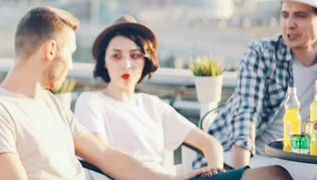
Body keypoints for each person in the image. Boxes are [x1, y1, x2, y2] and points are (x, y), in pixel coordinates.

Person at [0, 6, 232, 180]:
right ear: (50, 51)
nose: (71, 65)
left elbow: (106, 155)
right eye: (69, 54)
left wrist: (172, 179)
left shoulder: (51, 104)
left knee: (270, 174)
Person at [74, 15, 292, 180]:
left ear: (146, 61)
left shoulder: (152, 105)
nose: (126, 64)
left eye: (135, 55)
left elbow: (209, 143)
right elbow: (102, 158)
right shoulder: (91, 102)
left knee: (275, 174)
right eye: (116, 55)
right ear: (104, 60)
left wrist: (214, 172)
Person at [197, 0, 317, 179]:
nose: (289, 24)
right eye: (285, 15)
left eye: (300, 16)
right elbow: (246, 115)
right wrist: (240, 175)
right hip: (254, 156)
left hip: (301, 156)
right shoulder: (263, 52)